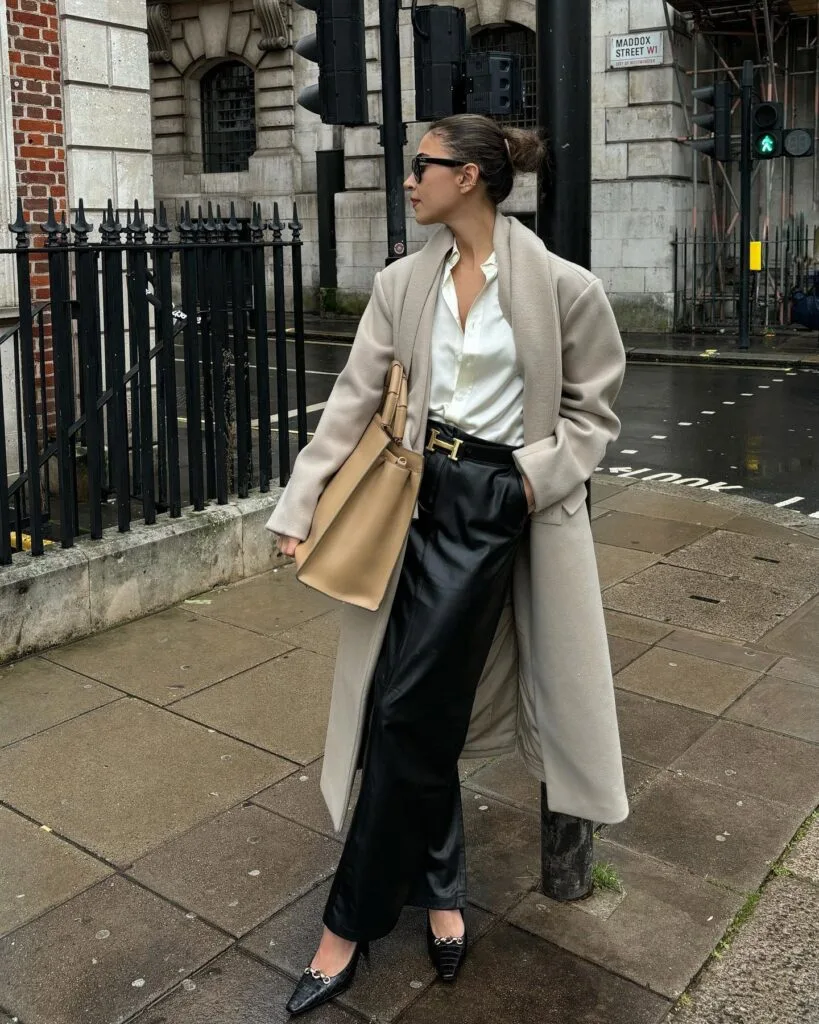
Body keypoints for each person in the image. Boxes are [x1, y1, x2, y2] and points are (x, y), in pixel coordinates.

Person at [267, 113, 629, 1017]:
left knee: (402, 713)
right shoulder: (401, 282)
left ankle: (343, 930)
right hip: (409, 497)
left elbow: (593, 413)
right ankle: (439, 896)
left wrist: (526, 487)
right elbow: (353, 402)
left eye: (422, 166)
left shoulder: (563, 287)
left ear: (469, 177)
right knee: (413, 709)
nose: (409, 180)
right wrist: (301, 504)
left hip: (491, 508)